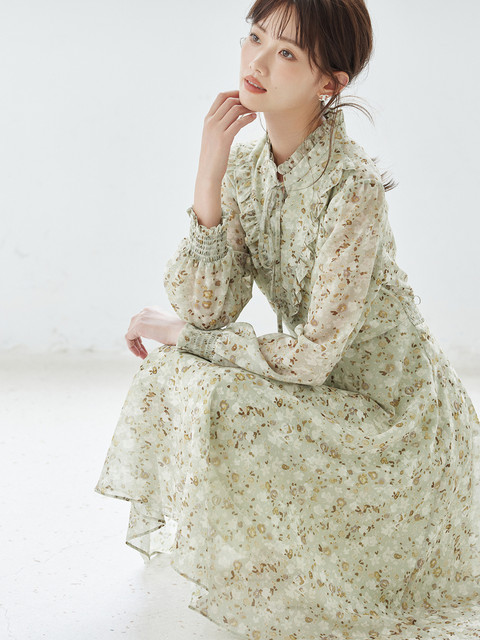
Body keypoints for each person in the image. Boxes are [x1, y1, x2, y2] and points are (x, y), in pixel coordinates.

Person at [94, 1, 480, 638]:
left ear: (330, 82)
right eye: (255, 37)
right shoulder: (247, 167)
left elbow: (312, 356)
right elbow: (209, 309)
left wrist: (181, 334)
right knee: (171, 372)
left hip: (391, 414)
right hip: (320, 389)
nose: (257, 62)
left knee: (217, 388)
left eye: (287, 53)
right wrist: (210, 168)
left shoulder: (351, 185)